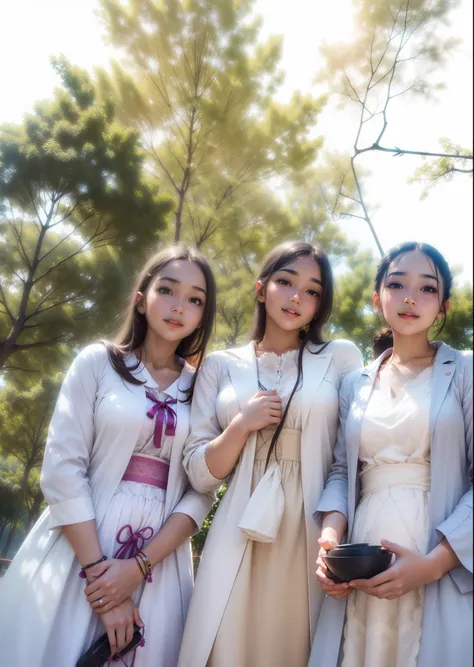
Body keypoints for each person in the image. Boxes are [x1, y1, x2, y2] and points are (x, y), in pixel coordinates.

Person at [0, 245, 217, 667]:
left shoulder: (204, 387)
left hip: (159, 564)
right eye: (168, 290)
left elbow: (202, 489)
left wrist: (138, 567)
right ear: (141, 298)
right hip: (80, 547)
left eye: (195, 300)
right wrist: (101, 582)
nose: (179, 307)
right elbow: (63, 469)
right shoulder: (97, 363)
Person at [177, 241, 363, 667]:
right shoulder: (220, 365)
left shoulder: (341, 358)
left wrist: (336, 533)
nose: (297, 297)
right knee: (223, 645)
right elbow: (201, 474)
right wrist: (242, 424)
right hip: (237, 527)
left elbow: (348, 460)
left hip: (313, 528)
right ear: (261, 290)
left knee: (301, 646)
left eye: (312, 291)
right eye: (285, 282)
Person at [310, 241, 472, 667]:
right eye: (397, 284)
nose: (410, 298)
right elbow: (344, 474)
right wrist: (330, 540)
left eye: (427, 289)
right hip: (364, 550)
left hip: (438, 550)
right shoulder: (355, 383)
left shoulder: (466, 372)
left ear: (443, 307)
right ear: (377, 297)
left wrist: (435, 564)